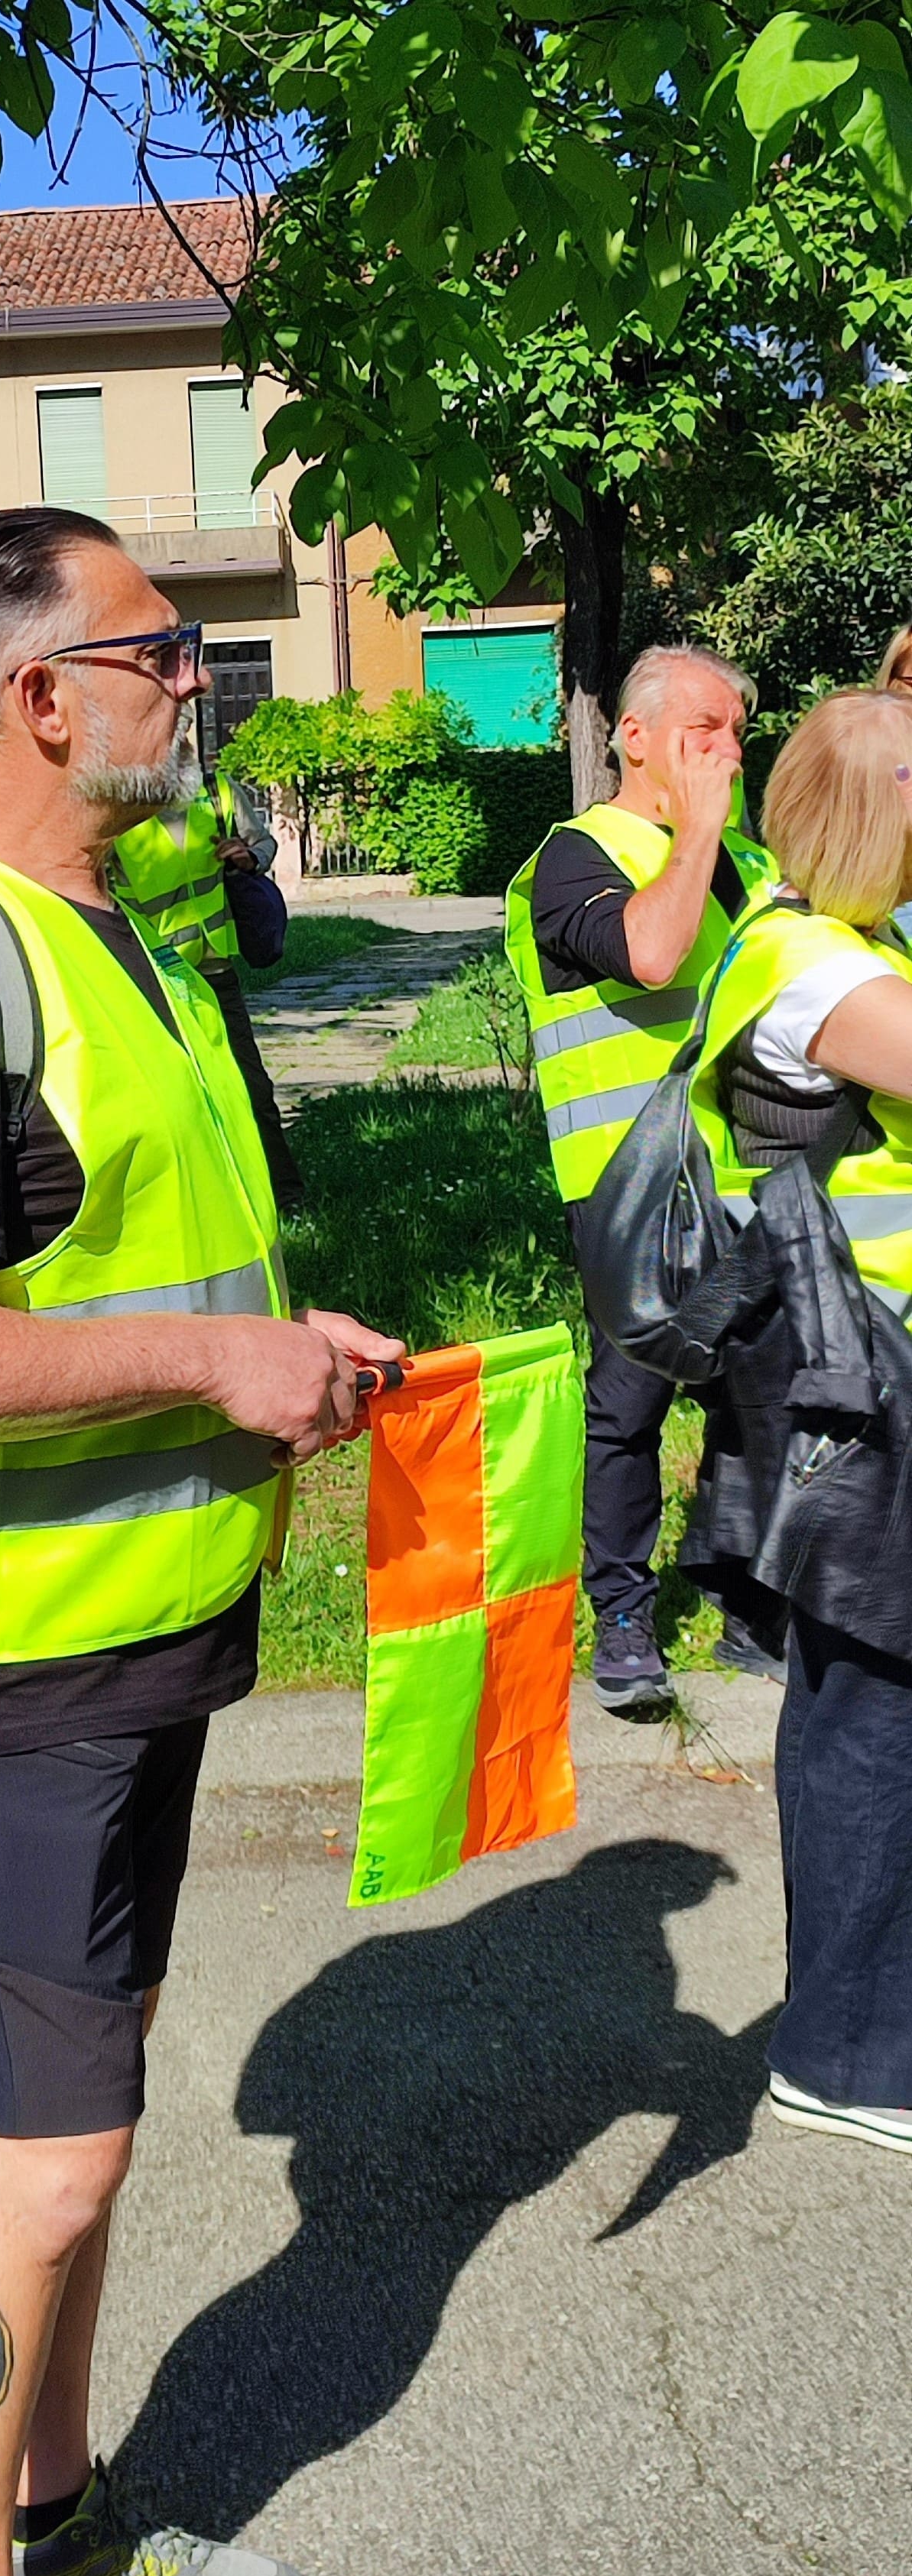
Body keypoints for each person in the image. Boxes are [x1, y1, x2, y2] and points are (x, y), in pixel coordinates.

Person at [0, 504, 404, 2576]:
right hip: (13, 1665)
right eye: (161, 651)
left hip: (127, 1632)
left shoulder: (109, 916)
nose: (196, 681)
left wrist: (278, 1352)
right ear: (40, 695)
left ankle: (60, 2528)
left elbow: (135, 1259)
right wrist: (212, 1365)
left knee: (87, 2120)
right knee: (40, 2161)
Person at [686, 686, 912, 2151]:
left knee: (877, 1702)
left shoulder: (851, 941)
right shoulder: (806, 965)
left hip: (865, 1375)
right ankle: (845, 2055)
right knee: (870, 1710)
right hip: (850, 1389)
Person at [505, 643, 781, 1712]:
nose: (728, 753)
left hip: (745, 1178)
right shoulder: (577, 856)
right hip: (632, 1187)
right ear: (633, 736)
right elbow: (654, 954)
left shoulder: (749, 864)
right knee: (632, 1400)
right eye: (703, 731)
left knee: (759, 1390)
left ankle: (746, 1600)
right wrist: (701, 830)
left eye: (737, 735)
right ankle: (622, 1613)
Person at [113, 770, 306, 1215]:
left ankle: (284, 1196)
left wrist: (249, 857)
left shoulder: (216, 791)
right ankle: (208, 1199)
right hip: (156, 978)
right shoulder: (117, 804)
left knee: (251, 1087)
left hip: (217, 972)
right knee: (177, 1097)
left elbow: (264, 844)